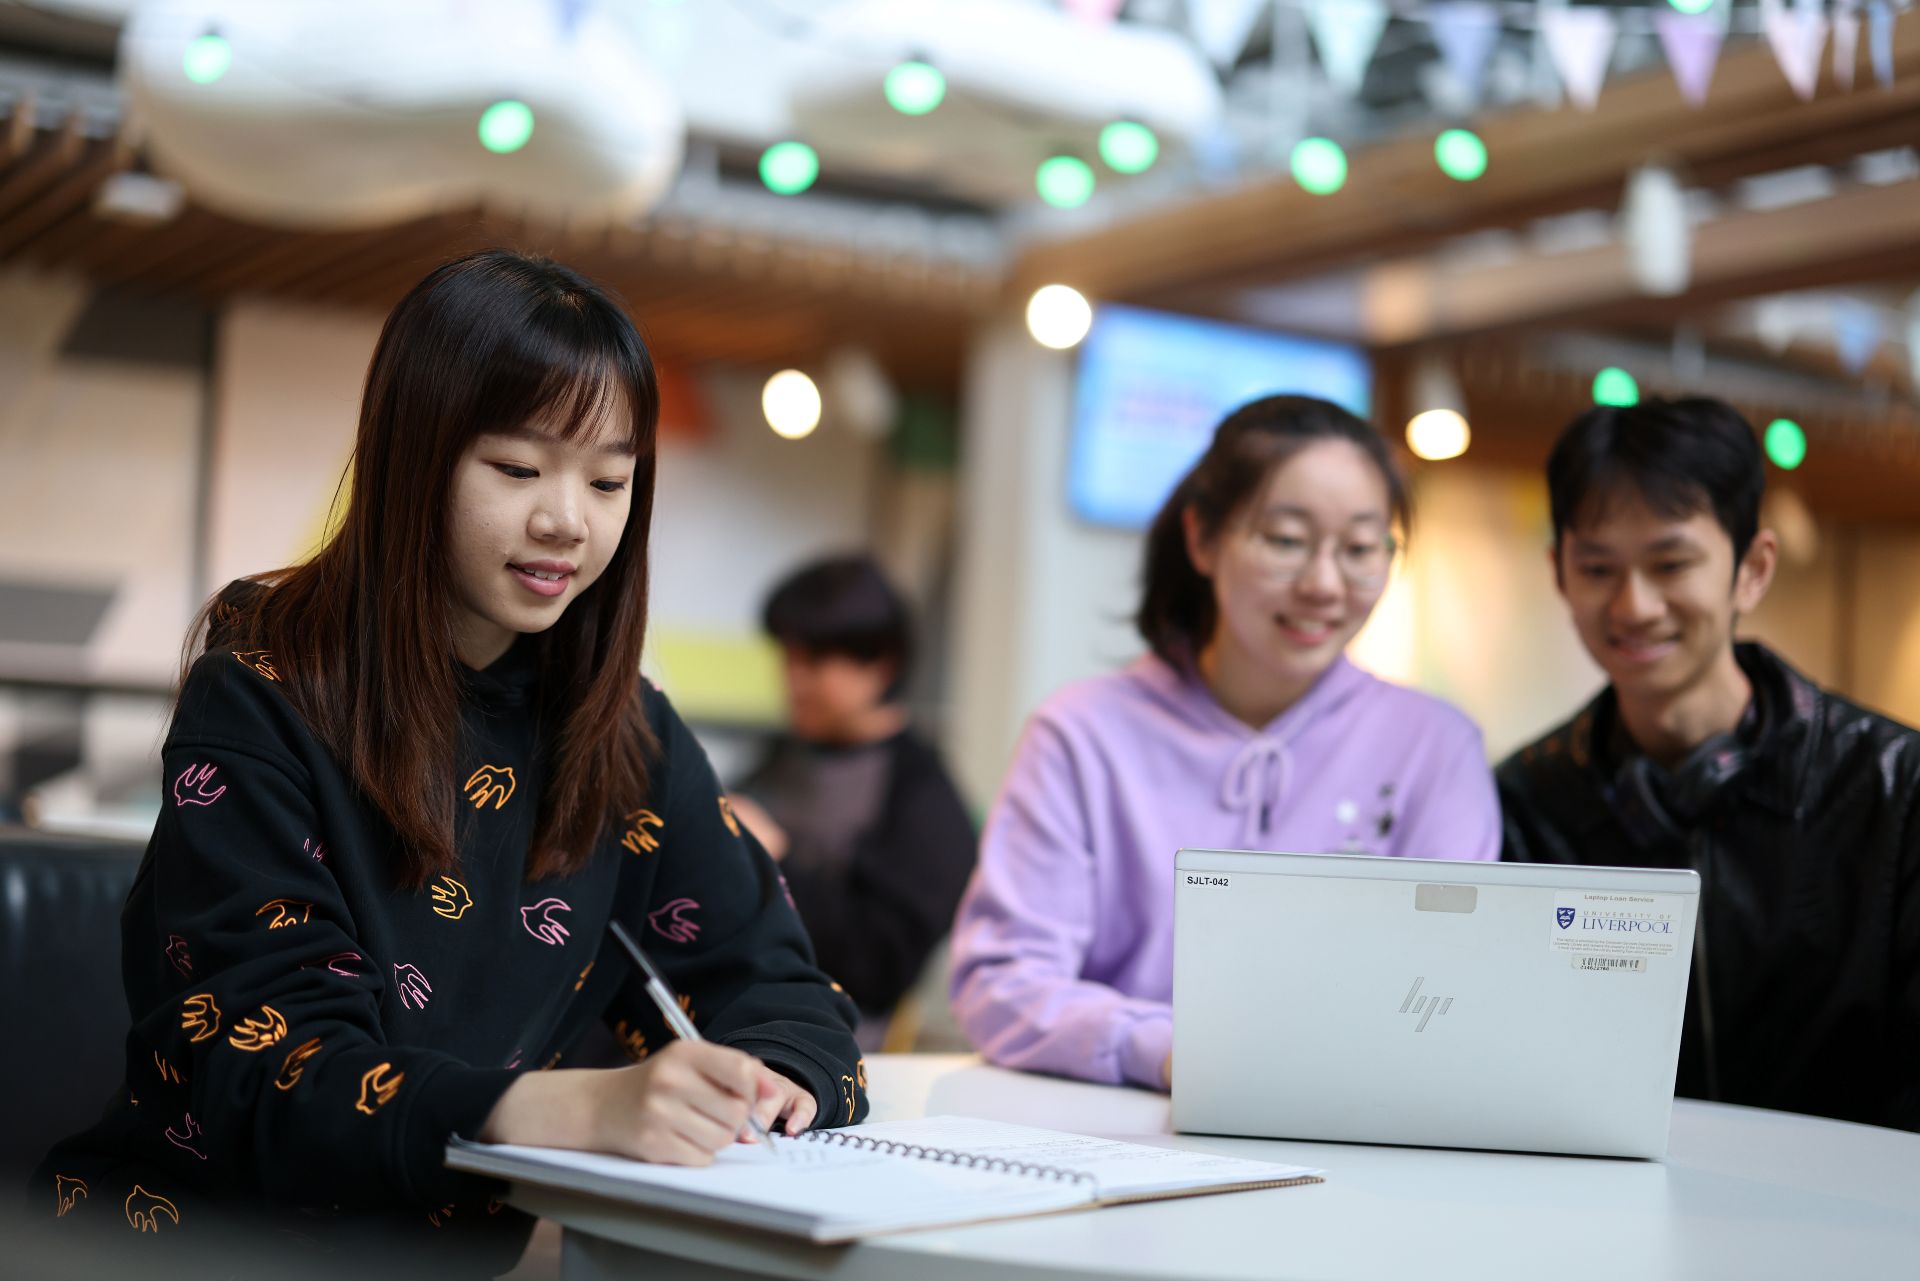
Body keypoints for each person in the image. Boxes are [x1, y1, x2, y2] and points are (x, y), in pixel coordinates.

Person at [28, 250, 866, 1277]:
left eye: (609, 480)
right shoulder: (263, 690)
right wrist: (568, 1108)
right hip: (187, 1248)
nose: (568, 518)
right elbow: (268, 1066)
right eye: (518, 469)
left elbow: (778, 980)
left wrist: (775, 1081)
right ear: (415, 458)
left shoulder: (622, 731)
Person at [949, 395, 1501, 1092]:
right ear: (1203, 539)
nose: (1324, 584)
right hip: (1117, 1126)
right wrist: (1165, 1049)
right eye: (1286, 540)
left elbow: (1455, 985)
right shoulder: (1081, 735)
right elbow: (1001, 981)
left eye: (1361, 548)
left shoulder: (1435, 746)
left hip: (1353, 1129)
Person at [1498, 396, 1919, 1132]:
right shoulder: (1527, 801)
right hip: (1616, 1224)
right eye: (1598, 566)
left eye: (1671, 563)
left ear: (1751, 569)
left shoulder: (1895, 786)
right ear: (1560, 574)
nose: (1634, 605)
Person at [727, 555, 976, 1047]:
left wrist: (777, 857)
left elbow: (878, 968)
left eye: (815, 663)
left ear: (880, 664)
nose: (793, 681)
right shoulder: (779, 758)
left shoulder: (924, 802)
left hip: (826, 1051)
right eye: (788, 658)